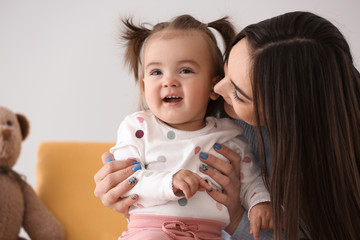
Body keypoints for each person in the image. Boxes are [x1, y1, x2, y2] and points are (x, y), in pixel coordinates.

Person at [95, 11, 360, 239]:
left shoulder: (233, 135)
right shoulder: (147, 124)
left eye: (238, 92)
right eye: (226, 70)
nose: (218, 88)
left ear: (283, 117)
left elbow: (253, 182)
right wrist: (128, 194)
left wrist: (240, 215)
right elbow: (133, 177)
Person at [105, 14, 272, 239]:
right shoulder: (138, 128)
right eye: (156, 72)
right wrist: (169, 182)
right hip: (152, 230)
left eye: (185, 70)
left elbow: (250, 178)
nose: (169, 81)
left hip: (210, 234)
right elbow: (128, 181)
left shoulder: (229, 134)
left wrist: (259, 202)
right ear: (144, 87)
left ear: (214, 86)